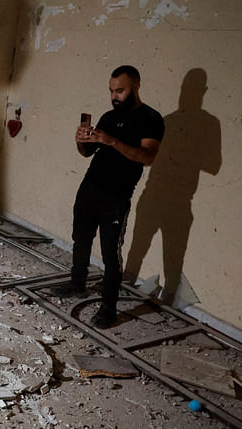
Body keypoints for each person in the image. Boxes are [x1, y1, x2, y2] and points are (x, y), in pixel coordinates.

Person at [51, 65, 164, 328]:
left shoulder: (151, 118)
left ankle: (108, 308)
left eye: (120, 90)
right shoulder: (109, 117)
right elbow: (87, 153)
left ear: (136, 86)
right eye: (111, 90)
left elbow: (148, 157)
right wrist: (81, 140)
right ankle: (77, 284)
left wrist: (112, 141)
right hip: (90, 187)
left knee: (110, 253)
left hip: (117, 195)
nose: (115, 96)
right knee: (80, 239)